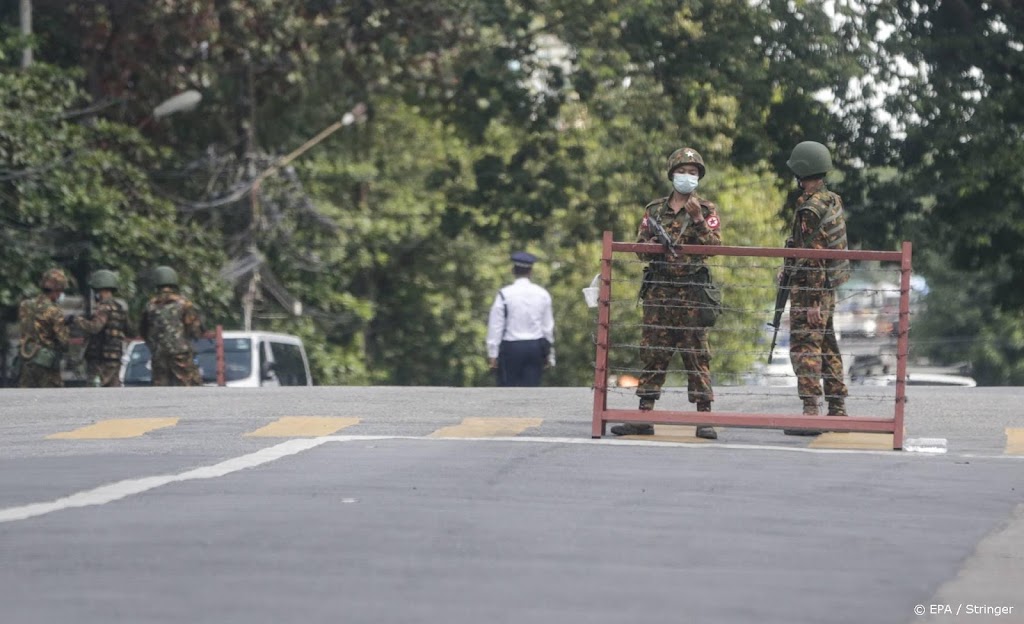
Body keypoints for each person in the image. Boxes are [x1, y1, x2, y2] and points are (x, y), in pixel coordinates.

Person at [611, 147, 722, 439]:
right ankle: (644, 415)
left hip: (690, 292)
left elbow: (713, 247)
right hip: (659, 291)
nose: (688, 177)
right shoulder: (654, 210)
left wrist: (697, 220)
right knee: (653, 354)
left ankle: (704, 418)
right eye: (683, 172)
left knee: (696, 355)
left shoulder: (707, 210)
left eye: (693, 172)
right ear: (672, 175)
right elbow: (639, 248)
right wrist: (653, 246)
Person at [781, 141, 851, 436]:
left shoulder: (810, 208)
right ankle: (837, 409)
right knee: (827, 346)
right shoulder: (831, 200)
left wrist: (812, 301)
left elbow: (814, 258)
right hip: (827, 289)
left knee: (805, 348)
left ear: (802, 170)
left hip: (812, 290)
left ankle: (811, 411)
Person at [486, 251, 556, 387]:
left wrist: (493, 353)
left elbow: (496, 326)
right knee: (531, 389)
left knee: (508, 389)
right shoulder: (542, 294)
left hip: (511, 347)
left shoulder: (504, 294)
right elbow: (547, 328)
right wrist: (549, 354)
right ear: (530, 271)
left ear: (513, 271)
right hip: (535, 347)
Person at [139, 265, 204, 386]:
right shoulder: (184, 304)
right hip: (180, 353)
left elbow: (143, 330)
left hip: (158, 354)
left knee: (160, 388)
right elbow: (195, 330)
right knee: (187, 386)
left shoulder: (150, 306)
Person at [17, 268, 72, 388]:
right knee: (50, 402)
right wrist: (66, 326)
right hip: (46, 364)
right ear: (57, 290)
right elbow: (64, 342)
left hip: (26, 358)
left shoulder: (25, 305)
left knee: (24, 399)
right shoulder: (54, 311)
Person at [75, 269, 129, 387]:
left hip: (101, 360)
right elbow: (128, 330)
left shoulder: (103, 308)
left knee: (96, 393)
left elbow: (95, 327)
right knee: (113, 392)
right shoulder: (119, 308)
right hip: (115, 357)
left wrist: (78, 320)